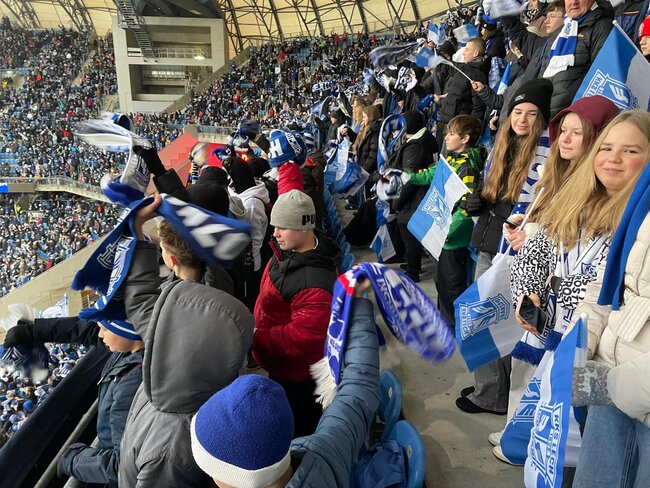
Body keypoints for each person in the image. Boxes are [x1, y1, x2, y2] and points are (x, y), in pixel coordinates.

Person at [489, 97, 621, 463]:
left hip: (583, 321)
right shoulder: (558, 180)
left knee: (560, 394)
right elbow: (545, 246)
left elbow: (598, 271)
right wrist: (529, 286)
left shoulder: (619, 204)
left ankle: (532, 443)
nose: (565, 139)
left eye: (578, 133)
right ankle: (520, 435)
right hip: (549, 307)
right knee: (531, 377)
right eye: (563, 131)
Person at [118, 196, 254, 487]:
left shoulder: (163, 316)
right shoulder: (223, 290)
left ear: (171, 260)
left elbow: (138, 295)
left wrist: (137, 226)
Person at [190, 280, 380, 487]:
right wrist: (357, 305)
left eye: (210, 468)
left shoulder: (326, 445)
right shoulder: (326, 450)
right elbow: (359, 387)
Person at [457, 77, 553, 415]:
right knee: (484, 320)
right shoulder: (502, 145)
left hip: (514, 251)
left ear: (541, 118)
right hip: (488, 243)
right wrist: (477, 202)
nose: (522, 119)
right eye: (517, 112)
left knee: (495, 322)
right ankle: (491, 390)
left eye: (531, 113)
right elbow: (493, 195)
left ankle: (495, 396)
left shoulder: (546, 155)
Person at [570, 152, 650, 486]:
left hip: (622, 385)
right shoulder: (645, 191)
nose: (614, 158)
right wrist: (579, 346)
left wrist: (612, 384)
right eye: (607, 147)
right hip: (609, 379)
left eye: (630, 150)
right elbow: (611, 282)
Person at [3, 316, 143, 487]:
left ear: (127, 331)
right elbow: (92, 331)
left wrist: (70, 460)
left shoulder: (133, 381)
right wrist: (36, 330)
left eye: (105, 328)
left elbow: (122, 465)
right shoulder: (129, 349)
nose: (100, 334)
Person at [252, 189, 341, 437]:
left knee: (297, 431)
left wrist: (256, 336)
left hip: (296, 374)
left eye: (283, 227)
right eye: (275, 226)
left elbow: (303, 336)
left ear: (304, 227)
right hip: (279, 361)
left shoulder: (314, 282)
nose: (275, 233)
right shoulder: (290, 250)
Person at [405, 114, 486, 326]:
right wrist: (403, 175)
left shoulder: (467, 168)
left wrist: (447, 231)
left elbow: (467, 209)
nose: (446, 138)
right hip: (441, 235)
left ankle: (453, 328)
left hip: (452, 239)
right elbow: (427, 175)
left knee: (452, 287)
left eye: (451, 134)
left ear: (465, 139)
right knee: (441, 283)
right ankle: (444, 321)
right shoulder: (450, 159)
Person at [501, 0, 614, 116]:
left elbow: (602, 83)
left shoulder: (602, 28)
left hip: (568, 120)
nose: (574, 2)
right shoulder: (558, 35)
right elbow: (521, 36)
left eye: (553, 16)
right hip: (541, 119)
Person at [389, 110, 439, 283]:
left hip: (414, 199)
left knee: (408, 232)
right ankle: (412, 265)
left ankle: (413, 271)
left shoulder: (414, 147)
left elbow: (409, 179)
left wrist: (397, 203)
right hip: (420, 196)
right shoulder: (423, 140)